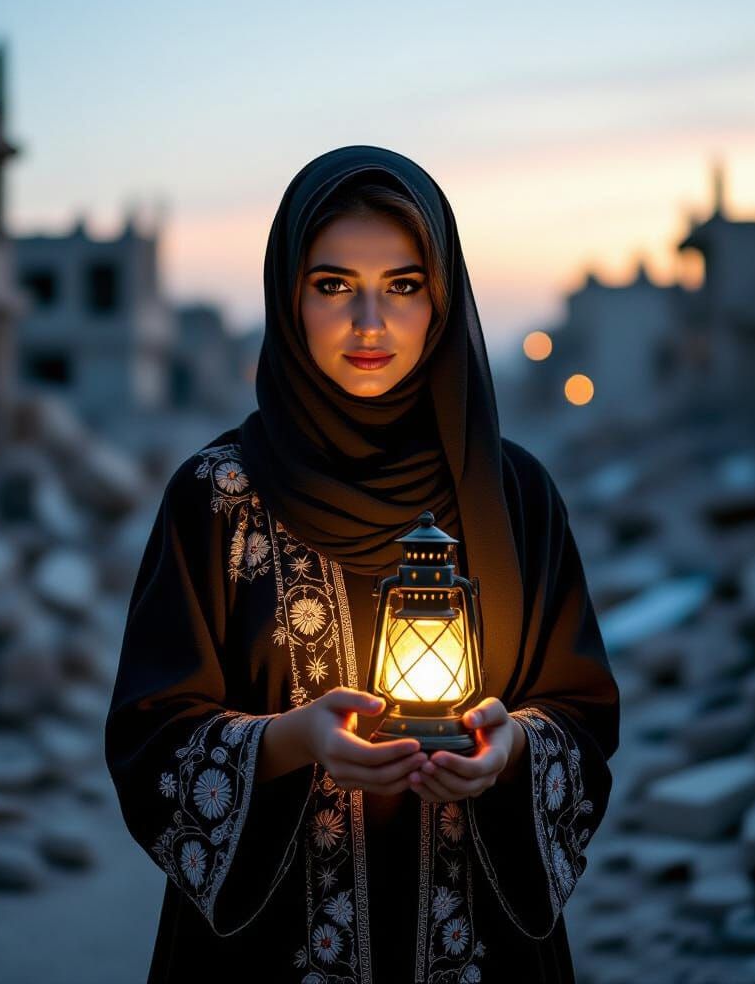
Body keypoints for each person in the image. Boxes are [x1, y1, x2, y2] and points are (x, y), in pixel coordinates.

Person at [104, 144, 620, 983]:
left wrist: (508, 753)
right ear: (289, 295)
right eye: (334, 285)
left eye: (405, 286)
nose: (370, 324)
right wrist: (285, 742)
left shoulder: (515, 495)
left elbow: (582, 711)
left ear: (444, 301)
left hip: (480, 951)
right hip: (265, 956)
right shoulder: (216, 497)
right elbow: (149, 734)